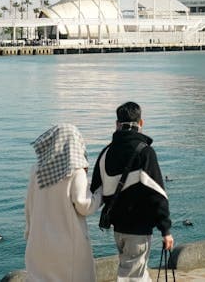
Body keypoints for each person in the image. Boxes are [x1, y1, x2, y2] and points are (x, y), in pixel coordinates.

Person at [91, 102, 173, 282]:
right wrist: (166, 230)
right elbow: (157, 195)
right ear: (141, 123)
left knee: (137, 271)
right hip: (139, 228)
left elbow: (95, 191)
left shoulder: (106, 152)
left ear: (117, 124)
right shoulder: (145, 153)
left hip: (118, 228)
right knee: (132, 276)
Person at [24, 123, 100, 282]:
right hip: (67, 246)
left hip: (38, 244)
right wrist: (100, 194)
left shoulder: (36, 169)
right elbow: (84, 205)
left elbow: (29, 206)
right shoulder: (76, 171)